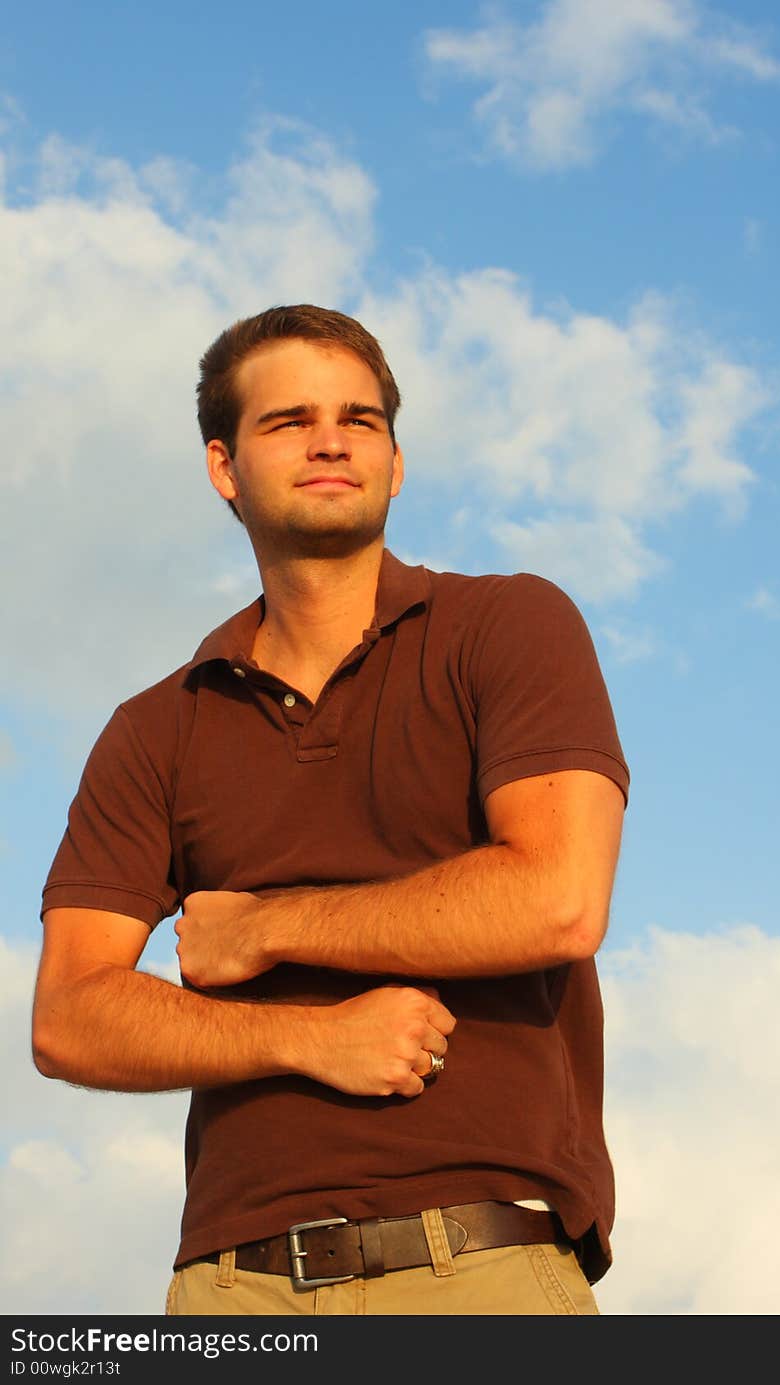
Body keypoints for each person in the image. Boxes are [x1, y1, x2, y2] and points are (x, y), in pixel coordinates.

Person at [33, 304, 629, 1317]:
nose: (330, 438)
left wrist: (266, 925)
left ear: (395, 462)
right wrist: (307, 1037)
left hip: (477, 1255)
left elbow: (557, 897)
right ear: (223, 466)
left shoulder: (508, 624)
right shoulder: (154, 728)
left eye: (361, 418)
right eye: (289, 419)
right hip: (229, 1284)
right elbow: (69, 1015)